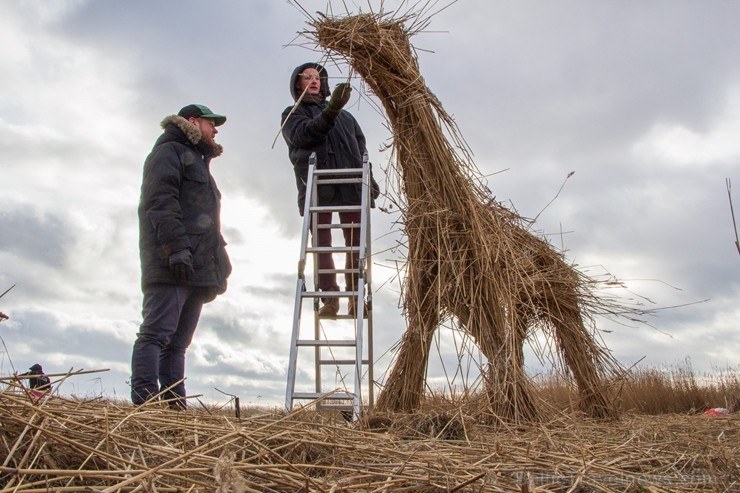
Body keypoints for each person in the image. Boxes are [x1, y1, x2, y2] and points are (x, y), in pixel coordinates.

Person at [131, 104, 232, 409]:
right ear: (192, 121)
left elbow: (204, 220)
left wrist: (220, 260)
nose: (215, 130)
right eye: (210, 123)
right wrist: (177, 250)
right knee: (155, 334)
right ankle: (146, 405)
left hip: (198, 266)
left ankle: (175, 409)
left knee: (177, 345)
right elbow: (160, 203)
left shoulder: (199, 162)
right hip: (171, 262)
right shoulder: (169, 152)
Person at [281, 62, 379, 318]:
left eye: (318, 77)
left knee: (355, 244)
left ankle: (355, 296)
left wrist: (371, 180)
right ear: (297, 83)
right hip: (317, 186)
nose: (314, 80)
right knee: (322, 244)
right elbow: (304, 136)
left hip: (351, 184)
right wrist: (330, 112)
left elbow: (361, 148)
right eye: (307, 77)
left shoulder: (347, 118)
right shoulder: (293, 114)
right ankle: (330, 298)